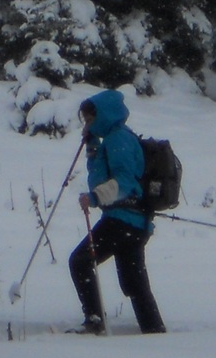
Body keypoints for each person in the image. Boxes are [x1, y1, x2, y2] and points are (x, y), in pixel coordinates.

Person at [69, 89, 166, 334]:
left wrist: (94, 198)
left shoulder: (119, 139)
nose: (88, 124)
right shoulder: (112, 139)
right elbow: (101, 177)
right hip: (133, 223)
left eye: (91, 119)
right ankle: (153, 330)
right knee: (134, 282)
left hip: (122, 221)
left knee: (80, 261)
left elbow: (125, 183)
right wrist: (92, 148)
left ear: (103, 115)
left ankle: (95, 321)